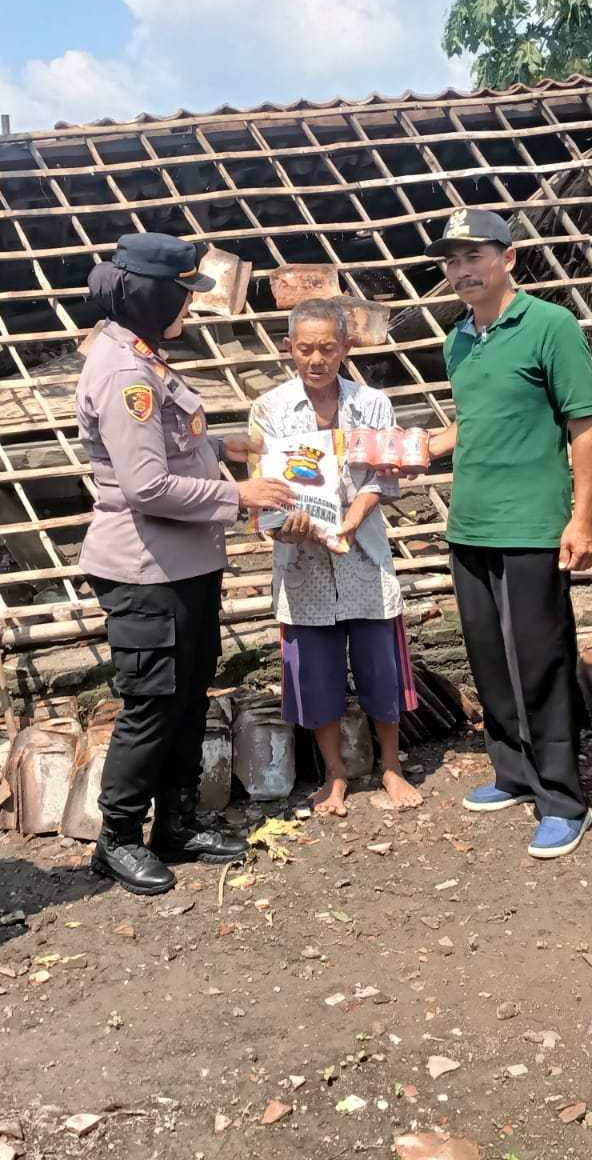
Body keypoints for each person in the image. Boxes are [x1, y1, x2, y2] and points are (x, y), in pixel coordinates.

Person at [77, 232, 295, 895]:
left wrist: (220, 448)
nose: (191, 308)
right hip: (145, 571)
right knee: (151, 705)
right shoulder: (124, 373)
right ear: (151, 295)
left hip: (183, 564)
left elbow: (167, 450)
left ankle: (175, 823)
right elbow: (145, 487)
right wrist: (239, 494)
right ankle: (117, 839)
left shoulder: (143, 356)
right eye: (184, 295)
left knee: (188, 698)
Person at [424, 208, 592, 859]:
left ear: (508, 257)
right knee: (489, 660)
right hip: (470, 521)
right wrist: (421, 445)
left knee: (540, 661)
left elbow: (584, 426)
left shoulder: (550, 327)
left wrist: (581, 517)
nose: (462, 268)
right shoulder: (458, 340)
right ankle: (514, 773)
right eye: (452, 258)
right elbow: (473, 423)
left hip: (532, 522)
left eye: (475, 254)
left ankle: (562, 796)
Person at [249, 298, 421, 817]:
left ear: (346, 347)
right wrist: (286, 527)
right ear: (289, 350)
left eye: (328, 347)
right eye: (306, 349)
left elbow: (383, 477)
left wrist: (349, 519)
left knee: (382, 672)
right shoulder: (270, 410)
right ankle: (335, 774)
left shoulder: (373, 404)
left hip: (363, 554)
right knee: (317, 677)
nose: (317, 359)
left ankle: (391, 766)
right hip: (303, 566)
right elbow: (265, 486)